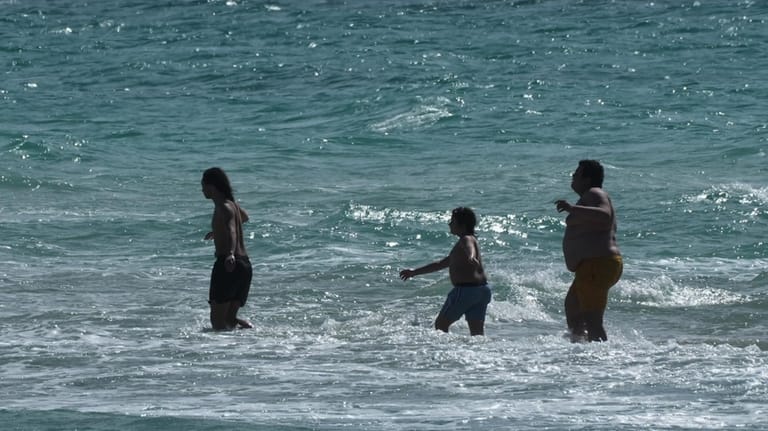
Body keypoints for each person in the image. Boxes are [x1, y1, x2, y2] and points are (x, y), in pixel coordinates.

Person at [555, 160, 622, 342]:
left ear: (587, 179)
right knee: (573, 308)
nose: (573, 176)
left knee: (592, 320)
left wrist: (572, 208)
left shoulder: (595, 193)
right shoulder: (589, 197)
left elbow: (605, 215)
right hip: (592, 266)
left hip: (597, 264)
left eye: (577, 174)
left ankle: (600, 356)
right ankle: (582, 348)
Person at [400, 207, 492, 336]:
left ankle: (447, 349)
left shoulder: (466, 239)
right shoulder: (465, 243)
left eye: (452, 221)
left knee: (440, 325)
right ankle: (479, 349)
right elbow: (441, 264)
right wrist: (414, 272)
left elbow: (469, 248)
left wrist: (471, 257)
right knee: (477, 333)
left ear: (462, 225)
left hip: (466, 291)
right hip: (482, 291)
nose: (449, 224)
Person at [201, 167, 253, 330]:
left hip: (228, 264)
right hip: (244, 266)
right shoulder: (233, 206)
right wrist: (218, 231)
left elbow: (231, 230)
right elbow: (244, 217)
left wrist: (230, 253)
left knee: (217, 323)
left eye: (203, 185)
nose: (202, 190)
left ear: (212, 186)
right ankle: (251, 335)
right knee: (229, 320)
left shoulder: (223, 206)